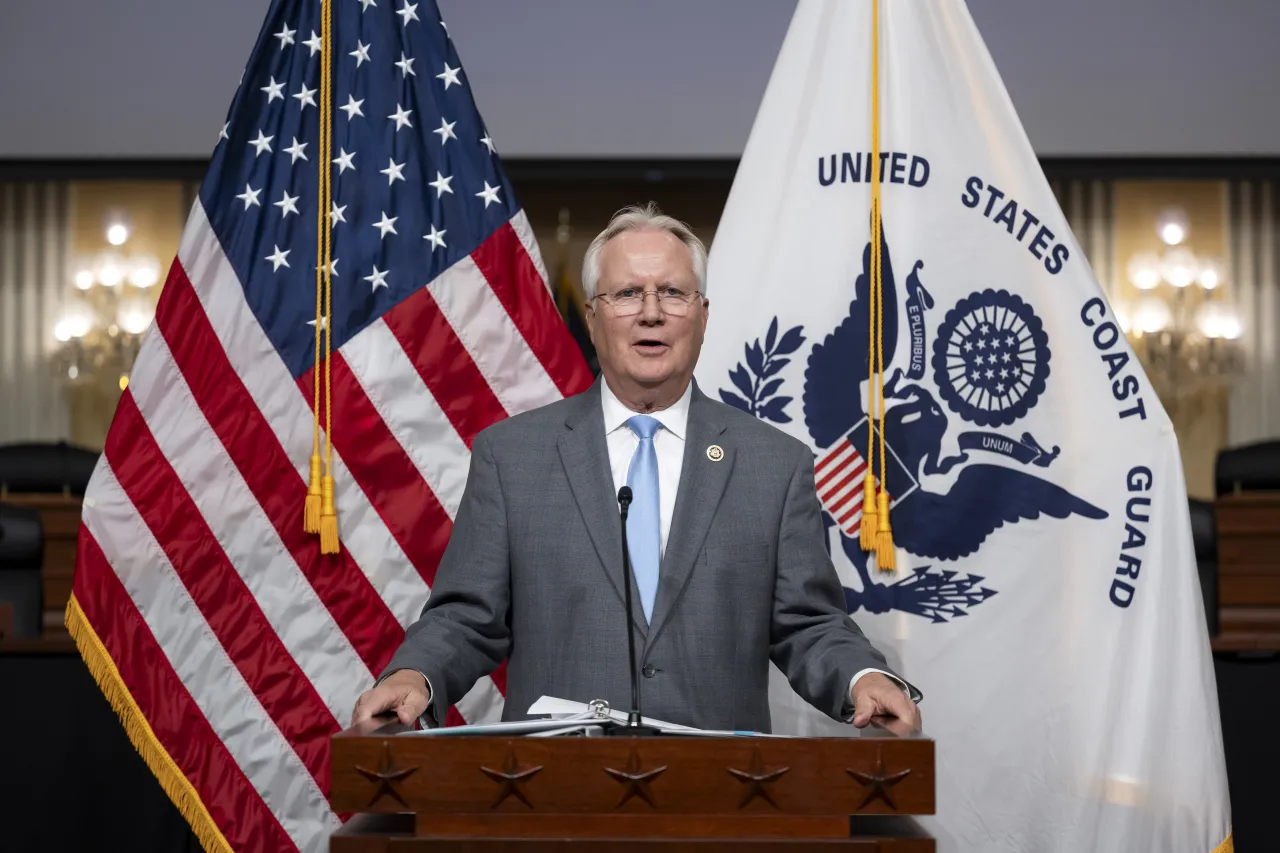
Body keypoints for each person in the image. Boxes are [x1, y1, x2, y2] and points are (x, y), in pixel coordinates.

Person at [353, 203, 922, 732]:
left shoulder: (774, 465)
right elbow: (466, 617)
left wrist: (863, 677)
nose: (651, 312)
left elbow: (809, 623)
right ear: (594, 316)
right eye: (627, 292)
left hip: (721, 802)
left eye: (672, 292)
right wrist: (415, 676)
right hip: (554, 797)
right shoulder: (512, 457)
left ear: (702, 316)